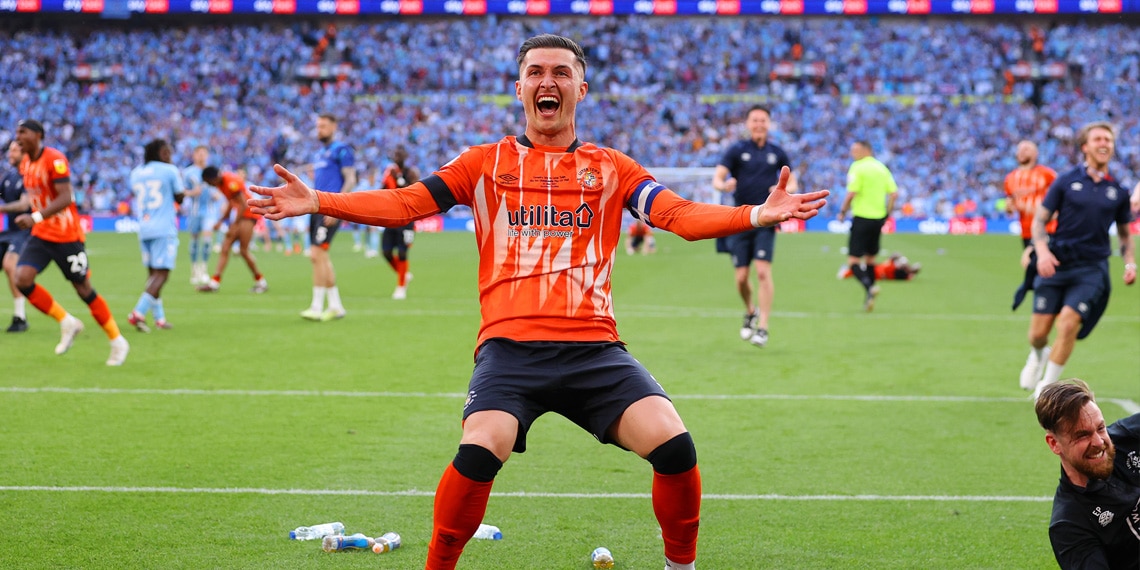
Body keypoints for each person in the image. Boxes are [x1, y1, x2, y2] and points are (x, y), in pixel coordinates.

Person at [249, 34, 828, 570]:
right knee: (480, 449)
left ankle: (682, 567)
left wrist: (755, 213)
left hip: (593, 349)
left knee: (676, 447)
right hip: (510, 350)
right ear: (519, 88)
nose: (546, 81)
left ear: (581, 88)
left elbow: (677, 215)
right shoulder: (483, 164)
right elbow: (406, 204)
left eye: (560, 72)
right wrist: (320, 199)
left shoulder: (611, 168)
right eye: (534, 72)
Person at [1022, 121, 1135, 397]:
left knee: (1069, 321)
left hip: (1091, 268)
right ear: (1085, 147)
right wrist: (1043, 252)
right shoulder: (1065, 181)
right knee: (1037, 334)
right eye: (1098, 139)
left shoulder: (1117, 191)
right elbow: (1040, 221)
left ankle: (1046, 386)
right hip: (1057, 263)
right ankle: (1038, 353)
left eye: (1108, 139)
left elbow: (1124, 234)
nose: (1104, 143)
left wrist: (1129, 262)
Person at [12, 119, 129, 365]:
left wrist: (34, 217)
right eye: (16, 133)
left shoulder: (55, 159)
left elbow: (66, 198)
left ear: (38, 135)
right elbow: (35, 198)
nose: (18, 137)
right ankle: (67, 322)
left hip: (67, 237)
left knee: (83, 289)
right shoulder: (25, 164)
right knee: (21, 279)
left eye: (23, 132)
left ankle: (117, 341)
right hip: (42, 235)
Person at [712, 104, 798, 348]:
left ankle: (763, 327)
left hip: (767, 219)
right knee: (741, 278)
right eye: (755, 120)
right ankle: (750, 310)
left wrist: (785, 190)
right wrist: (723, 185)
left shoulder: (777, 152)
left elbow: (792, 181)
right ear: (748, 124)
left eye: (763, 120)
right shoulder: (737, 150)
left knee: (762, 272)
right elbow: (718, 177)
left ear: (768, 124)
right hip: (740, 219)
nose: (759, 124)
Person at [1034, 379, 1139, 570]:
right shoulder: (1070, 524)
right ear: (1054, 444)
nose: (1099, 442)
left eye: (1100, 428)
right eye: (1082, 435)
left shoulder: (1127, 438)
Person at [298, 114, 354, 320]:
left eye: (323, 126)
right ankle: (336, 306)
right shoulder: (320, 153)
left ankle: (316, 306)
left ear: (334, 126)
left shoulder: (342, 150)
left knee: (316, 255)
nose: (319, 129)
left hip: (329, 207)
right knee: (321, 256)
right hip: (315, 208)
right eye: (317, 126)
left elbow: (351, 179)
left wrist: (337, 207)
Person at [126, 139, 185, 331]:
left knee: (152, 275)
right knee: (163, 274)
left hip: (144, 227)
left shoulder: (136, 173)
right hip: (163, 228)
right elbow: (179, 197)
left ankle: (159, 319)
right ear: (159, 153)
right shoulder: (170, 170)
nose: (170, 156)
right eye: (167, 153)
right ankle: (138, 312)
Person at [836, 140, 898, 312]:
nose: (852, 153)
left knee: (853, 261)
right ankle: (869, 296)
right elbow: (894, 194)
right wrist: (888, 213)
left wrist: (842, 211)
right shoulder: (882, 168)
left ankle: (868, 288)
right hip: (878, 219)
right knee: (870, 259)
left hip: (862, 217)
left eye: (855, 150)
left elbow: (851, 193)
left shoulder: (858, 167)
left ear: (866, 150)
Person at [197, 166, 268, 294]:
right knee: (225, 248)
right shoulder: (221, 183)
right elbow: (232, 202)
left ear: (212, 178)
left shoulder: (230, 182)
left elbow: (243, 203)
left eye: (208, 182)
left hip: (249, 215)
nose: (210, 185)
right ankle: (214, 282)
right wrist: (221, 220)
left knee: (243, 251)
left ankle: (261, 282)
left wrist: (234, 224)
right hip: (242, 216)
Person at [0, 139, 32, 332]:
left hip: (25, 231)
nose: (10, 154)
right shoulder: (9, 176)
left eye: (14, 151)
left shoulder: (29, 176)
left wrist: (2, 208)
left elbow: (24, 205)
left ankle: (20, 317)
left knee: (10, 265)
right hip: (9, 231)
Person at [380, 145, 419, 300]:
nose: (397, 157)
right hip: (392, 218)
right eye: (395, 154)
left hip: (407, 219)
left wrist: (400, 181)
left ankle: (401, 287)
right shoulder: (390, 173)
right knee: (386, 252)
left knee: (402, 252)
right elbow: (383, 190)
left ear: (405, 156)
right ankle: (403, 274)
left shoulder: (411, 173)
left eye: (400, 154)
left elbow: (415, 192)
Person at [1004, 140, 1058, 249]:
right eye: (1019, 149)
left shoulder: (1047, 174)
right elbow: (1010, 203)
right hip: (1026, 230)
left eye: (1026, 149)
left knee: (1044, 263)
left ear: (1035, 154)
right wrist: (1009, 208)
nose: (1021, 152)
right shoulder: (1010, 178)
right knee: (1031, 264)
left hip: (1047, 229)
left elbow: (1061, 195)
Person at [181, 145, 216, 286]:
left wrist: (218, 194)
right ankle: (194, 268)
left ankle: (204, 268)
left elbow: (218, 187)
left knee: (207, 239)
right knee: (195, 240)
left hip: (209, 211)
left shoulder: (212, 171)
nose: (201, 156)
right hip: (194, 211)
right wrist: (191, 193)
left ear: (207, 155)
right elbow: (182, 191)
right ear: (194, 156)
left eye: (204, 153)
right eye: (199, 153)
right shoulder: (188, 172)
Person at [837, 252, 919, 281]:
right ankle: (911, 269)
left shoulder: (892, 270)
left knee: (857, 268)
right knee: (899, 257)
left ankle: (844, 273)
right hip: (879, 269)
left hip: (878, 270)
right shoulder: (892, 267)